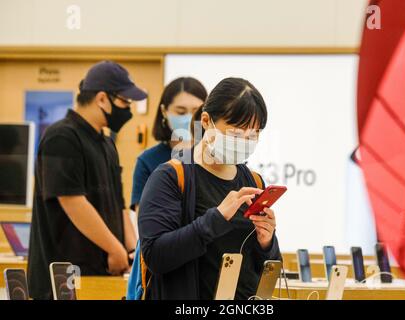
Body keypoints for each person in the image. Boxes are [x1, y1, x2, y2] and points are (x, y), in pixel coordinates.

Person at [138, 77, 281, 300]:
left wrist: (267, 243)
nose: (244, 140)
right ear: (206, 121)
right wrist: (216, 218)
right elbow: (156, 256)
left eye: (253, 135)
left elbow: (266, 268)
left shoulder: (254, 181)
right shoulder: (171, 177)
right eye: (236, 133)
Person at [27, 60, 147, 299]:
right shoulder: (61, 136)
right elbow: (72, 202)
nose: (128, 109)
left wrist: (132, 250)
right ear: (102, 98)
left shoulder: (106, 143)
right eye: (125, 102)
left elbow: (118, 204)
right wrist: (114, 248)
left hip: (99, 275)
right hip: (61, 278)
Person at [130, 77, 207, 212]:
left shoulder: (217, 157)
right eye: (181, 112)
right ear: (164, 111)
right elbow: (145, 222)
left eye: (196, 112)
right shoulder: (148, 161)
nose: (189, 118)